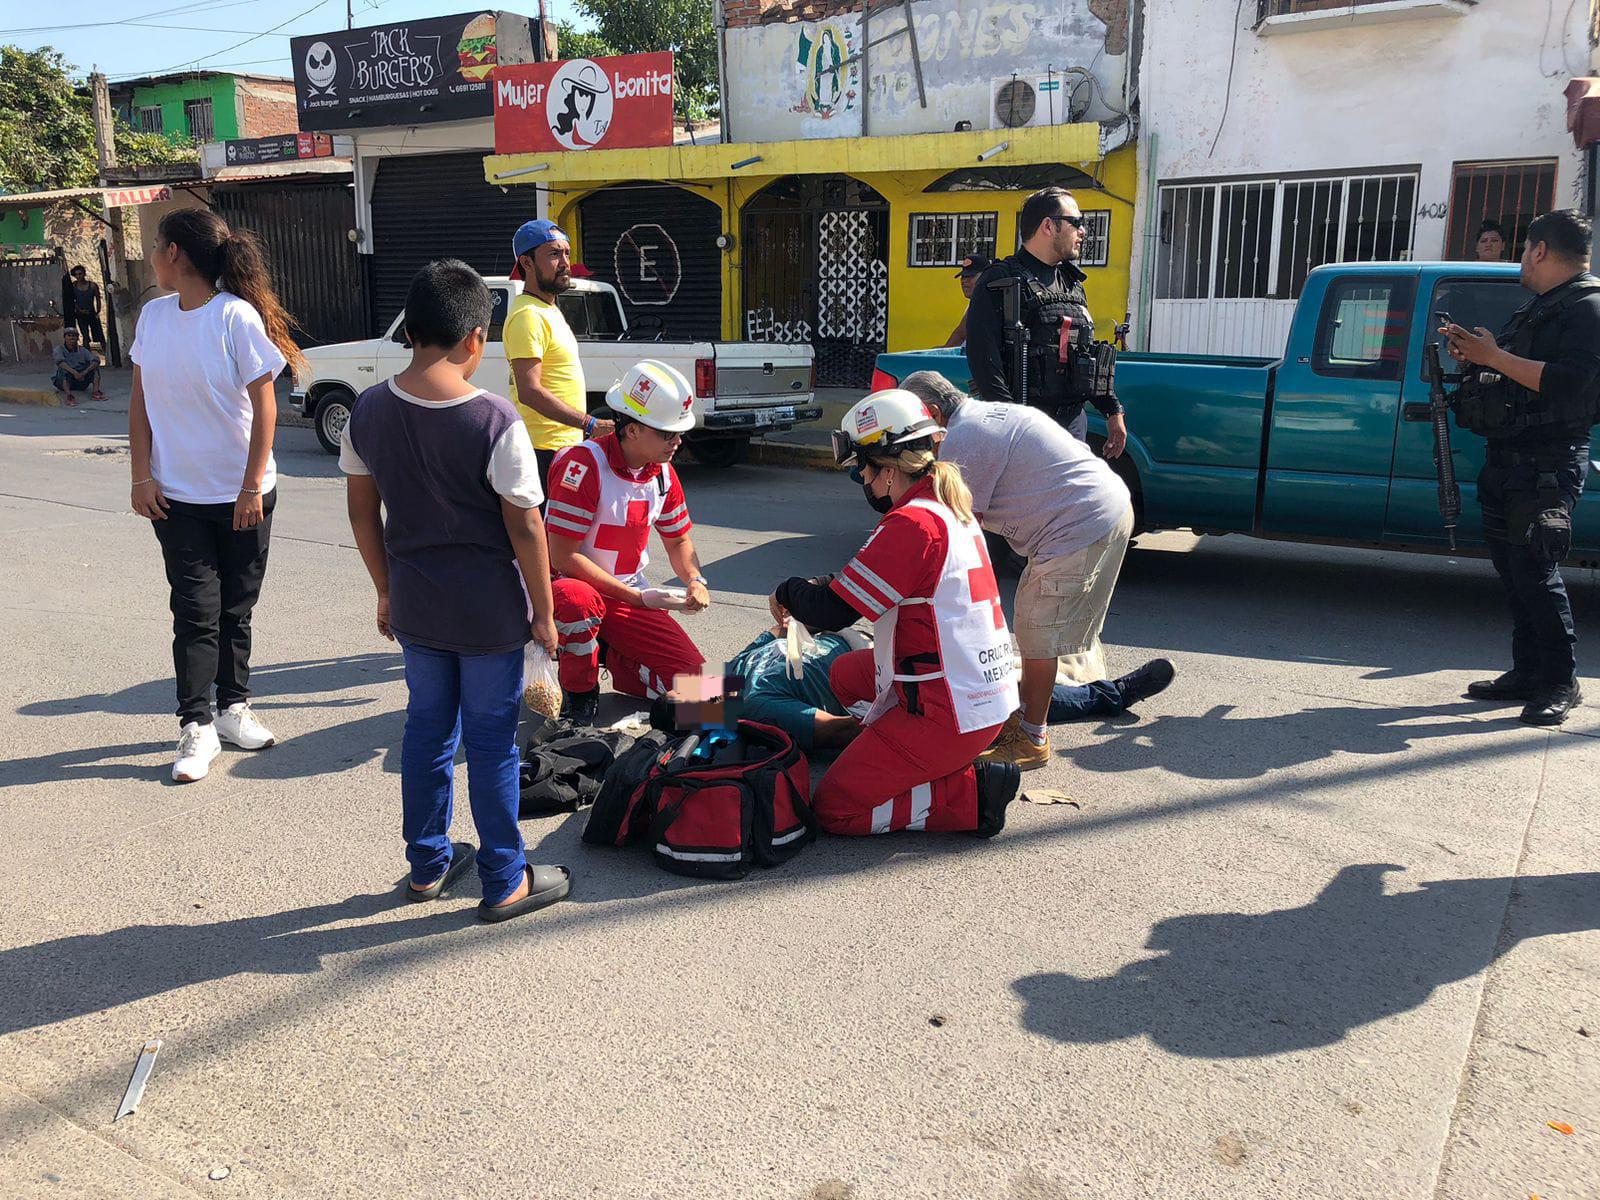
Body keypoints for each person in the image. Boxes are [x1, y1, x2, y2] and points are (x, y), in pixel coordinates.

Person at [341, 259, 570, 922]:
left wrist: (385, 591)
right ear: (476, 339)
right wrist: (545, 614)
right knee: (492, 741)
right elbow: (527, 527)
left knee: (427, 733)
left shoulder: (369, 409)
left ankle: (427, 867)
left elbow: (363, 514)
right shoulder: (495, 420)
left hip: (416, 606)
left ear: (412, 330)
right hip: (490, 616)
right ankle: (504, 879)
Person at [770, 389, 1022, 837]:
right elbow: (862, 588)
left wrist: (789, 593)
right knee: (842, 675)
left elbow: (831, 612)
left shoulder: (913, 524)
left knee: (830, 809)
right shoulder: (948, 507)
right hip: (972, 688)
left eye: (861, 473)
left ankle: (971, 792)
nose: (862, 483)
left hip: (947, 706)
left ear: (887, 473)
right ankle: (893, 749)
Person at [901, 369, 1171, 768]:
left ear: (935, 413)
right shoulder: (984, 416)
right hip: (1099, 509)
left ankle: (1031, 739)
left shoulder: (962, 441)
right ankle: (1062, 706)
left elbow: (955, 535)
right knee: (1037, 635)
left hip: (1079, 523)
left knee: (1035, 632)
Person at [129, 209, 305, 782]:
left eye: (156, 246)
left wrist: (252, 484)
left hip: (244, 497)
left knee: (235, 608)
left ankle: (233, 708)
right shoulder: (152, 318)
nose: (153, 256)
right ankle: (196, 725)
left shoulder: (235, 317)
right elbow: (140, 404)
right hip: (175, 497)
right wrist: (140, 475)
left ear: (175, 252)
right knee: (195, 611)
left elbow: (266, 404)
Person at [1446, 210, 1600, 726]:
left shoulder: (1589, 309)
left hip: (1549, 464)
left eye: (1523, 249)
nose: (1519, 259)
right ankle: (1527, 672)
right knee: (1515, 574)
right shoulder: (1542, 308)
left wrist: (1494, 356)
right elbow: (1517, 376)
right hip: (1509, 460)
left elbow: (1572, 384)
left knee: (1537, 572)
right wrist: (1478, 357)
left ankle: (1560, 681)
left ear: (1539, 250)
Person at [545, 359, 709, 724]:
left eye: (680, 433)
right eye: (668, 434)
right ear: (632, 430)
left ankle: (616, 657)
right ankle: (580, 694)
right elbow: (563, 556)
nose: (678, 443)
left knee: (711, 698)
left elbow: (679, 539)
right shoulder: (582, 464)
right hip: (572, 589)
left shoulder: (663, 473)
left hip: (629, 596)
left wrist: (695, 580)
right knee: (577, 598)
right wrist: (637, 597)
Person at [965, 186, 1128, 459]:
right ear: (1048, 226)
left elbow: (1084, 359)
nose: (1083, 231)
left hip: (1073, 432)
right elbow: (985, 367)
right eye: (1076, 222)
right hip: (1025, 436)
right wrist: (1016, 428)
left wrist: (1113, 410)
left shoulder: (1072, 284)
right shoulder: (1000, 281)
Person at [504, 219, 613, 490]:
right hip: (543, 451)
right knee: (546, 531)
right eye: (553, 254)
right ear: (527, 263)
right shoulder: (528, 315)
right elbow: (529, 391)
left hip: (562, 447)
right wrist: (590, 424)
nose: (565, 262)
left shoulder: (548, 309)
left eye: (566, 253)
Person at [943, 255, 991, 348]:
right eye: (963, 277)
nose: (964, 281)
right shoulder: (975, 302)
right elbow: (960, 335)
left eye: (971, 276)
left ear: (986, 276)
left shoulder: (987, 302)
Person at [51, 328, 103, 405]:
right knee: (63, 369)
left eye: (74, 336)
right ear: (65, 337)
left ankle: (96, 393)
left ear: (78, 338)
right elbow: (60, 362)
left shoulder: (83, 350)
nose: (72, 338)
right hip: (63, 381)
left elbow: (95, 361)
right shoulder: (59, 349)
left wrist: (84, 372)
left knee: (94, 367)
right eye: (69, 335)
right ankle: (69, 396)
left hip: (80, 379)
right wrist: (75, 373)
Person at [70, 265, 105, 348]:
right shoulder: (73, 286)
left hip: (91, 313)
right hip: (80, 314)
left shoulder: (92, 286)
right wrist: (79, 310)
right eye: (76, 275)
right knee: (85, 336)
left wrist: (98, 311)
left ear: (84, 274)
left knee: (99, 335)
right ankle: (86, 356)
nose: (78, 276)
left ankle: (106, 353)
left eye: (80, 274)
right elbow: (72, 300)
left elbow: (98, 299)